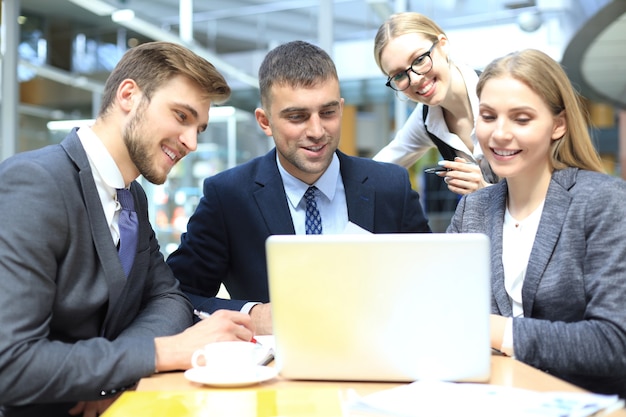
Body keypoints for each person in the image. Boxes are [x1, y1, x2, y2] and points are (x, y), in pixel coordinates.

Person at [0, 42, 255, 417]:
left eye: (198, 128)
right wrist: (161, 353)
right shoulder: (37, 182)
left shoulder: (132, 196)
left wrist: (111, 377)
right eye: (181, 116)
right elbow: (11, 362)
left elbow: (170, 299)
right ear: (129, 95)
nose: (192, 142)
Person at [166, 40, 431, 335]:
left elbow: (431, 282)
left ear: (341, 109)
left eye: (328, 113)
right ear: (264, 122)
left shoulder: (390, 187)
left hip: (379, 364)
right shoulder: (228, 196)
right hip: (276, 373)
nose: (317, 132)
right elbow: (176, 296)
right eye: (297, 117)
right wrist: (251, 315)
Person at [447, 49, 626, 397]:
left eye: (521, 118)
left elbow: (614, 342)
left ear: (558, 125)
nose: (499, 134)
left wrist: (496, 331)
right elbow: (442, 310)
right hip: (491, 398)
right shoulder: (473, 210)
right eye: (488, 116)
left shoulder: (604, 201)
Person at [372, 12, 498, 195]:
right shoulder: (427, 119)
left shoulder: (499, 94)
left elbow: (546, 185)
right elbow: (376, 170)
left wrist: (485, 190)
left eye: (419, 60)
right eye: (399, 75)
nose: (414, 79)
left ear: (443, 45)